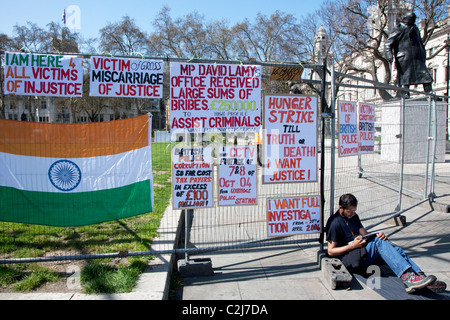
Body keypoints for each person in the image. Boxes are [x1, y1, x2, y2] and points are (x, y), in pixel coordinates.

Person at [326, 193, 439, 294]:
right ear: (341, 208)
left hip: (361, 251)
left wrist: (376, 235)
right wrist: (353, 246)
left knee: (396, 250)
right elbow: (330, 251)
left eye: (354, 211)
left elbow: (365, 234)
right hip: (351, 258)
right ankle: (407, 277)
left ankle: (419, 276)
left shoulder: (354, 217)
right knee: (379, 243)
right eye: (349, 211)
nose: (352, 214)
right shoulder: (334, 222)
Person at [385, 12, 433, 98]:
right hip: (405, 58)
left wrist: (423, 53)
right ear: (407, 19)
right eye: (412, 19)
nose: (414, 20)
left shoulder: (415, 29)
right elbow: (388, 43)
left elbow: (420, 43)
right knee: (405, 78)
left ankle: (429, 94)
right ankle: (405, 95)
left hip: (418, 58)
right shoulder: (399, 29)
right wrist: (389, 55)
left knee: (426, 77)